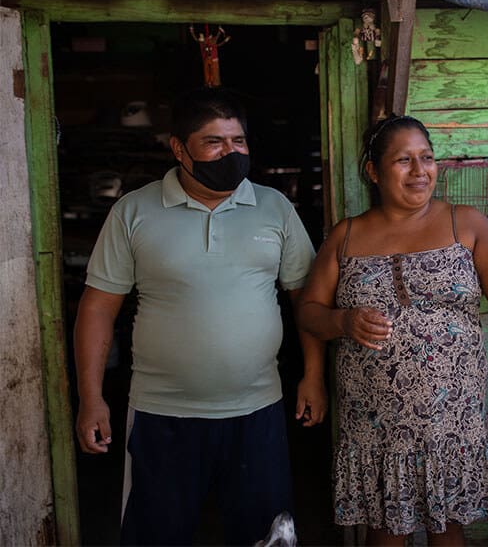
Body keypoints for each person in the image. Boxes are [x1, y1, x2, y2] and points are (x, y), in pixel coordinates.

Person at [296, 114, 488, 546]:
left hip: (447, 419)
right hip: (375, 420)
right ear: (374, 171)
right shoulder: (347, 235)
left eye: (427, 158)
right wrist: (341, 322)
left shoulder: (464, 223)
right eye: (403, 160)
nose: (420, 171)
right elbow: (308, 311)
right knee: (384, 525)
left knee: (447, 524)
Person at [74, 86, 327, 545]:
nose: (230, 152)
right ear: (179, 148)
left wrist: (313, 374)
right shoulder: (133, 210)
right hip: (161, 415)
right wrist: (92, 398)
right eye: (214, 142)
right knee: (157, 537)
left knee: (266, 538)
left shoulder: (275, 208)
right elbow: (97, 307)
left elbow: (305, 301)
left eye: (239, 141)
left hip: (258, 412)